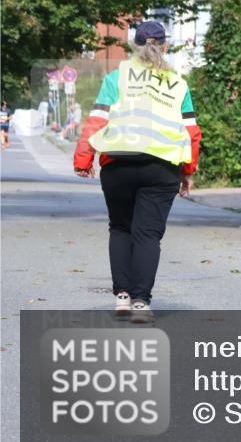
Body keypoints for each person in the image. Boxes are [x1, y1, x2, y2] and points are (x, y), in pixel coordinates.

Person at [73, 21, 202, 322]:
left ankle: (122, 298)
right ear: (165, 46)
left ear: (135, 45)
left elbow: (97, 121)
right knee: (148, 235)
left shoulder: (116, 78)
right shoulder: (177, 83)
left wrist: (83, 159)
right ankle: (141, 303)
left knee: (120, 228)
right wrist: (188, 170)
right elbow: (192, 132)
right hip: (161, 167)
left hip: (118, 163)